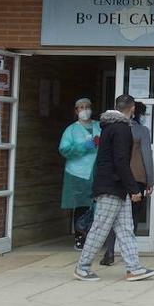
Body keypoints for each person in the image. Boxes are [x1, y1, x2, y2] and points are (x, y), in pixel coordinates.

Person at [72, 95, 154, 282]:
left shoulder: (110, 127)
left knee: (126, 228)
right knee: (100, 228)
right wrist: (133, 188)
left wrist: (128, 187)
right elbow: (121, 161)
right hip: (112, 187)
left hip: (115, 186)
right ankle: (82, 267)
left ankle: (134, 268)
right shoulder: (122, 129)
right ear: (133, 108)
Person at [101, 101, 154, 266]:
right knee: (131, 218)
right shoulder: (141, 130)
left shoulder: (110, 128)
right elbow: (146, 155)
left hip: (116, 178)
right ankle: (130, 255)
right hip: (136, 177)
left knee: (112, 218)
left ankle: (109, 252)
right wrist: (150, 180)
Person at [58, 97, 100, 250]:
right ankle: (80, 237)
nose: (84, 110)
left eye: (87, 107)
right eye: (81, 107)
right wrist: (84, 146)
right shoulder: (71, 130)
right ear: (76, 111)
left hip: (98, 170)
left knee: (98, 205)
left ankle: (95, 237)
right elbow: (64, 150)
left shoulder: (99, 126)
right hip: (78, 172)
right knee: (82, 205)